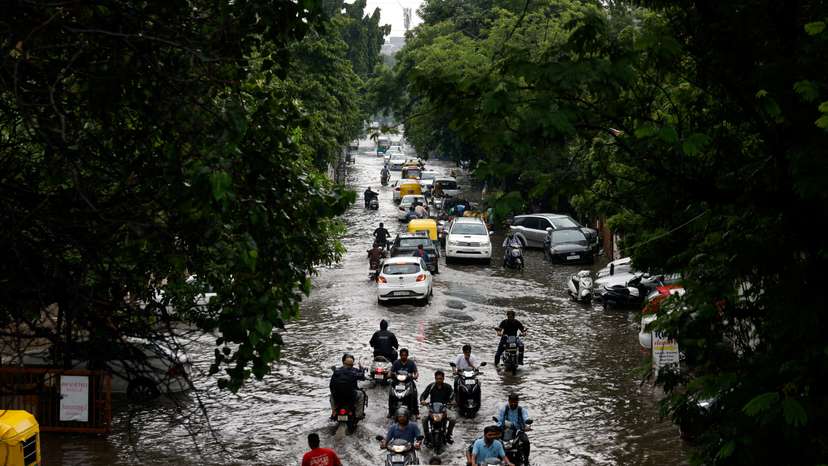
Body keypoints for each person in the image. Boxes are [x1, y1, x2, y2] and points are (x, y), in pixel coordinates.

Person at [419, 370, 456, 444]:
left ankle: (449, 435)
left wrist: (453, 402)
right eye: (437, 378)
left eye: (440, 378)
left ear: (443, 378)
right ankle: (426, 437)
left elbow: (453, 396)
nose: (439, 380)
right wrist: (423, 401)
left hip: (444, 408)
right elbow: (423, 395)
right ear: (435, 378)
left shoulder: (448, 387)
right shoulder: (431, 386)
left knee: (453, 419)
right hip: (432, 408)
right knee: (424, 419)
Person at [329, 353, 366, 420]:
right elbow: (362, 376)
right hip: (350, 397)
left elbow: (331, 386)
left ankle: (334, 412)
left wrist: (334, 394)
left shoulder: (336, 372)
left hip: (338, 398)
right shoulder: (353, 372)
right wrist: (362, 369)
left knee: (331, 396)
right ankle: (359, 415)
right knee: (361, 394)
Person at [498, 394, 531, 460]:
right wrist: (498, 427)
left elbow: (526, 417)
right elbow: (500, 420)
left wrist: (528, 421)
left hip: (518, 430)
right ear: (509, 401)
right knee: (495, 439)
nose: (513, 404)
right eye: (511, 402)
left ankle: (526, 458)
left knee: (526, 441)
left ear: (518, 401)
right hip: (505, 429)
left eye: (515, 402)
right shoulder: (503, 409)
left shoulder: (521, 409)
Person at [391, 348, 419, 415]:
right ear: (400, 355)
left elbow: (416, 372)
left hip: (408, 381)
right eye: (402, 355)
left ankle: (416, 412)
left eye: (405, 355)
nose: (403, 356)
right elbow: (391, 371)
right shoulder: (396, 363)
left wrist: (415, 376)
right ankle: (390, 411)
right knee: (391, 394)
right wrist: (391, 374)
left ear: (407, 355)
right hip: (397, 382)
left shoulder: (411, 363)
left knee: (414, 393)